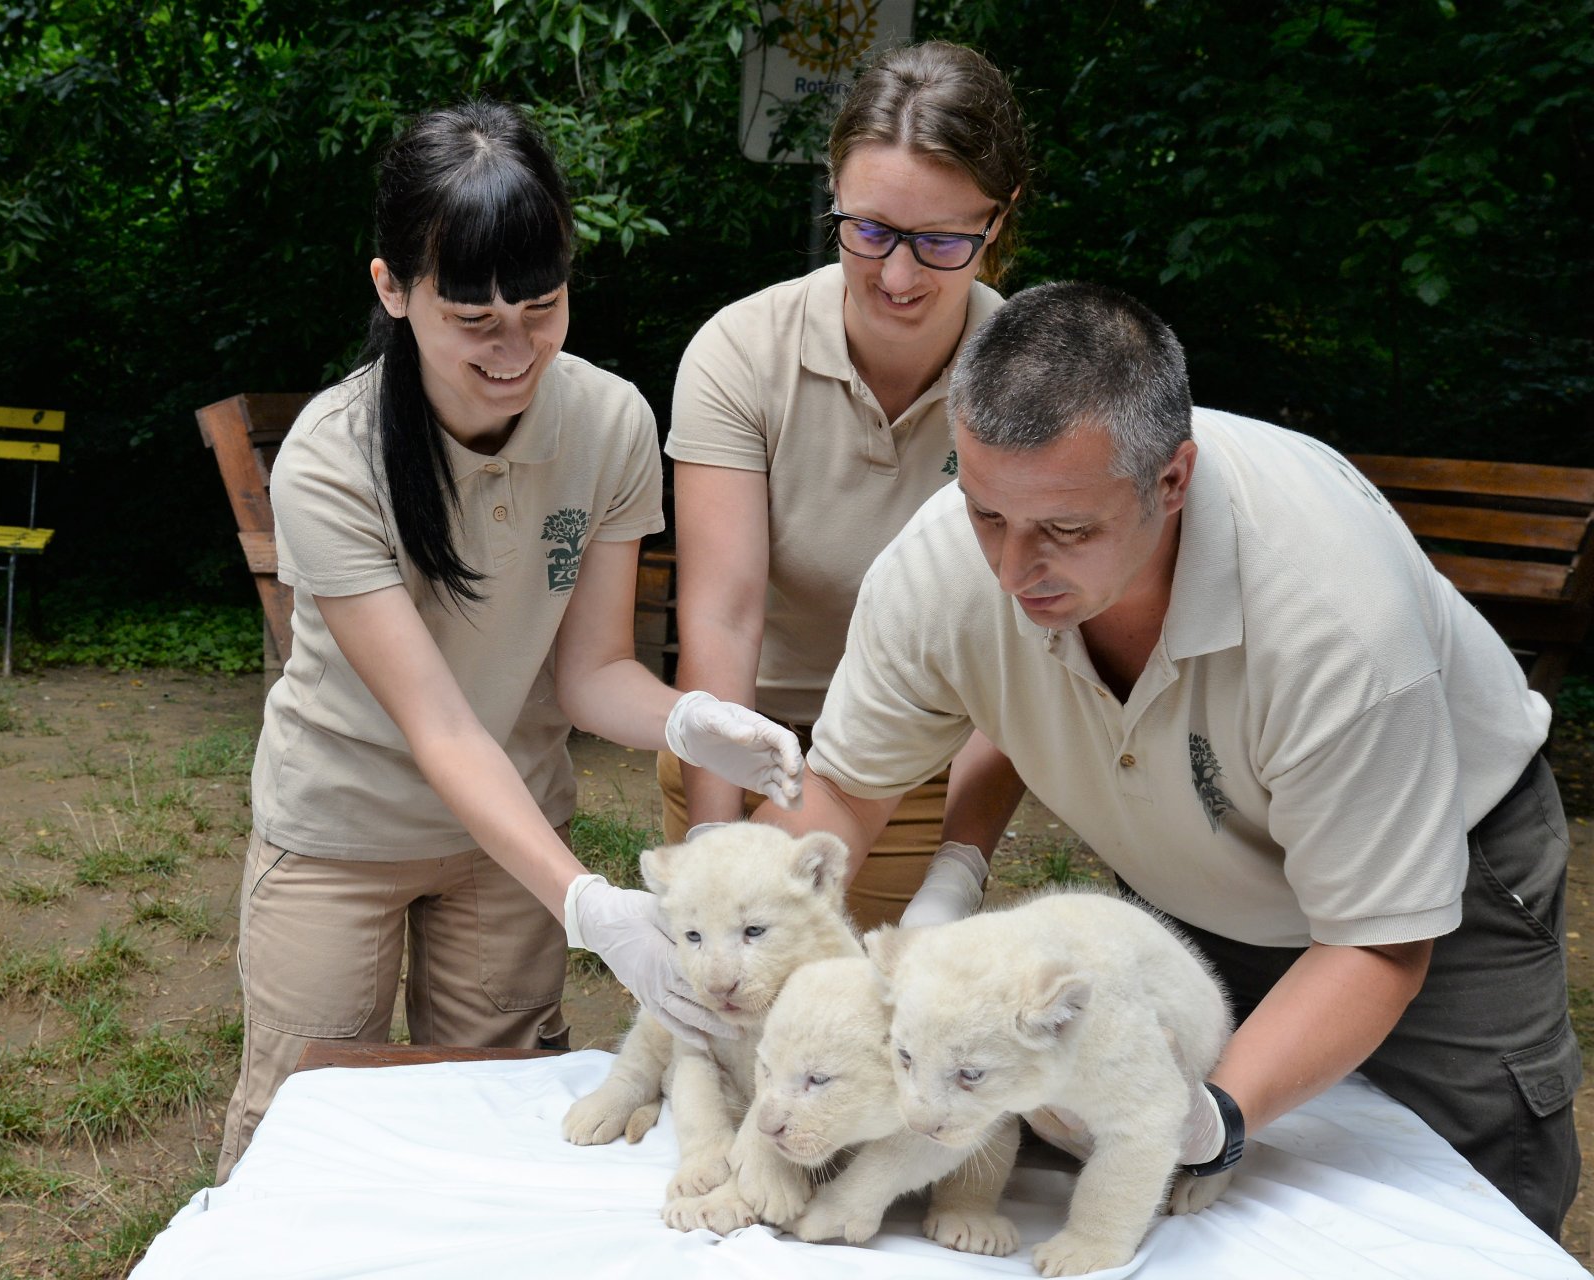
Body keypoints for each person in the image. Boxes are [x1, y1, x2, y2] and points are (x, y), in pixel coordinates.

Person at [762, 279, 1580, 1235]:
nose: (1012, 568)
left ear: (1172, 480)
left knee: (1455, 1210)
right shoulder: (941, 564)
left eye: (1065, 531)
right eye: (988, 513)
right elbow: (843, 795)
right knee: (1124, 1193)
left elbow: (1379, 941)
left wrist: (1212, 1118)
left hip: (1434, 889)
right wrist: (752, 945)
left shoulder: (1336, 623)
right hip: (1180, 886)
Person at [216, 100, 804, 1181]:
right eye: (474, 318)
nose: (515, 349)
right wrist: (588, 901)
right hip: (341, 829)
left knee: (494, 1111)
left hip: (508, 837)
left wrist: (686, 717)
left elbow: (588, 674)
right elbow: (439, 723)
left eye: (542, 308)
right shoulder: (329, 460)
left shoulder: (611, 422)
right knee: (305, 1116)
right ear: (393, 289)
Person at [663, 41, 1031, 929]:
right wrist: (717, 845)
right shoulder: (739, 351)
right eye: (869, 231)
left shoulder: (1033, 372)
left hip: (929, 765)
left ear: (999, 220)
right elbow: (723, 615)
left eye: (941, 241)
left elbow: (1030, 650)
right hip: (752, 743)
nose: (898, 277)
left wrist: (960, 862)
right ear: (834, 197)